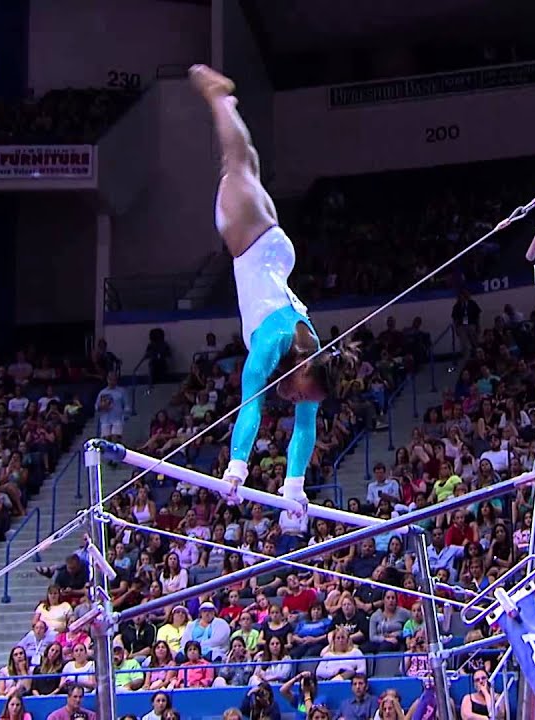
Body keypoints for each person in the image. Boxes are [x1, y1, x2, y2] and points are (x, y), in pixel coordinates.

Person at [189, 64, 347, 516]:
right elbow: (250, 407)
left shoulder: (310, 351)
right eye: (299, 393)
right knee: (236, 161)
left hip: (275, 250)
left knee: (247, 164)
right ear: (302, 371)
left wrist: (294, 488)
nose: (296, 401)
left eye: (302, 399)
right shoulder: (271, 345)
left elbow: (305, 429)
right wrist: (236, 467)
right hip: (254, 245)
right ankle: (218, 98)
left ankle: (227, 106)